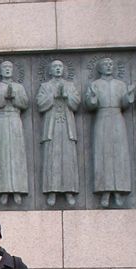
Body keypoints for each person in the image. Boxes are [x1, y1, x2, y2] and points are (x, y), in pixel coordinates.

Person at [84, 57, 135, 208]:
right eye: (105, 64)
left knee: (119, 155)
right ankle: (104, 192)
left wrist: (128, 96)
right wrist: (92, 99)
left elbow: (124, 104)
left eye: (111, 64)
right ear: (99, 68)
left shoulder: (120, 84)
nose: (108, 66)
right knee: (103, 155)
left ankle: (119, 192)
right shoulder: (95, 84)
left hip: (117, 119)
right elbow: (89, 105)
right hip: (102, 118)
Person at [36, 60, 80, 207]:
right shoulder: (45, 86)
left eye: (60, 66)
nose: (58, 69)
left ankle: (69, 191)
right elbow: (40, 104)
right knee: (52, 158)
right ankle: (51, 192)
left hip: (67, 127)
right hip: (52, 126)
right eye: (55, 66)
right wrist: (53, 96)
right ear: (50, 70)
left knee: (68, 158)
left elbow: (76, 103)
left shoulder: (70, 86)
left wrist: (67, 96)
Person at [0, 60, 29, 206]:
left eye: (10, 67)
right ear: (0, 71)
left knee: (17, 156)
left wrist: (15, 97)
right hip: (2, 120)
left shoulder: (19, 87)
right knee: (2, 156)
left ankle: (17, 190)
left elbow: (25, 103)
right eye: (4, 67)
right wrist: (4, 97)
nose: (7, 70)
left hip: (15, 120)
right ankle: (3, 191)